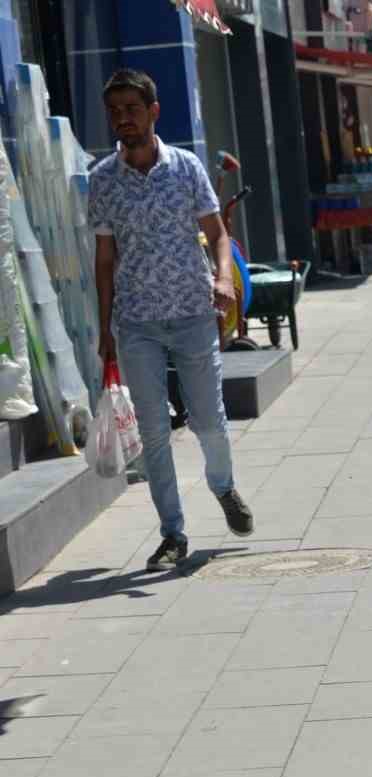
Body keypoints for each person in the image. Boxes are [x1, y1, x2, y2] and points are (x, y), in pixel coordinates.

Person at [88, 68, 254, 572]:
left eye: (131, 110)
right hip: (136, 322)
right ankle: (172, 533)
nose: (123, 120)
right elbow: (103, 259)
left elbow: (219, 235)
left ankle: (223, 487)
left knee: (209, 421)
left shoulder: (186, 168)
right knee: (155, 432)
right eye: (115, 112)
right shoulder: (102, 181)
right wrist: (105, 333)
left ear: (153, 112)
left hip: (192, 315)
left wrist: (224, 280)